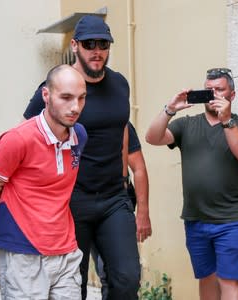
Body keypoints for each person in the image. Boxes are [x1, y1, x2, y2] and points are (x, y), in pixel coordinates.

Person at [24, 15, 151, 299]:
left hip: (113, 198)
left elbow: (122, 133)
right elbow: (28, 134)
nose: (97, 50)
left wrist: (137, 201)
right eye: (89, 44)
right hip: (71, 199)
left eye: (103, 44)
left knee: (127, 279)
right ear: (75, 45)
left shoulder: (120, 85)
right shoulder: (57, 86)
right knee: (73, 283)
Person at [0, 64, 87, 299]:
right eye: (66, 97)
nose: (75, 107)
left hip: (66, 250)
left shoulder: (80, 135)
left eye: (81, 98)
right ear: (46, 95)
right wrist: (19, 219)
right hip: (23, 255)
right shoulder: (17, 139)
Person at [145, 68, 238, 300]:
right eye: (209, 90)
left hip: (231, 219)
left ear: (232, 95)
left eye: (220, 90)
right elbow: (152, 138)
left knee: (228, 280)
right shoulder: (187, 125)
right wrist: (169, 110)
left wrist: (226, 121)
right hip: (196, 219)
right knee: (206, 277)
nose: (213, 94)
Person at [91, 121, 149, 300]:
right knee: (75, 275)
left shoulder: (117, 119)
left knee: (119, 275)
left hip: (114, 206)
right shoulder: (66, 119)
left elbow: (138, 168)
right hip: (77, 206)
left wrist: (143, 213)